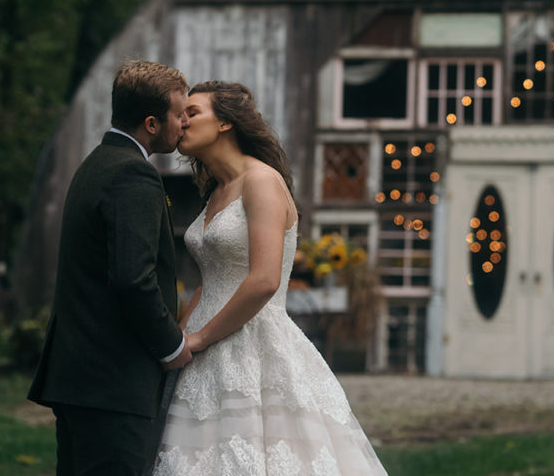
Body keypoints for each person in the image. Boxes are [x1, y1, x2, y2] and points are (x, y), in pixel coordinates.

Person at [154, 81, 387, 475]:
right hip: (200, 346)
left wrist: (200, 337)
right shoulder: (215, 192)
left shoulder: (261, 181)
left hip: (250, 341)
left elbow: (264, 280)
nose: (181, 121)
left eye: (192, 112)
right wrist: (178, 337)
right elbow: (209, 280)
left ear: (226, 123)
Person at [29, 60, 194, 476]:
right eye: (179, 115)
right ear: (152, 123)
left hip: (83, 379)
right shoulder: (132, 175)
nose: (184, 124)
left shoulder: (97, 164)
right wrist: (171, 346)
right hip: (112, 384)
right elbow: (132, 280)